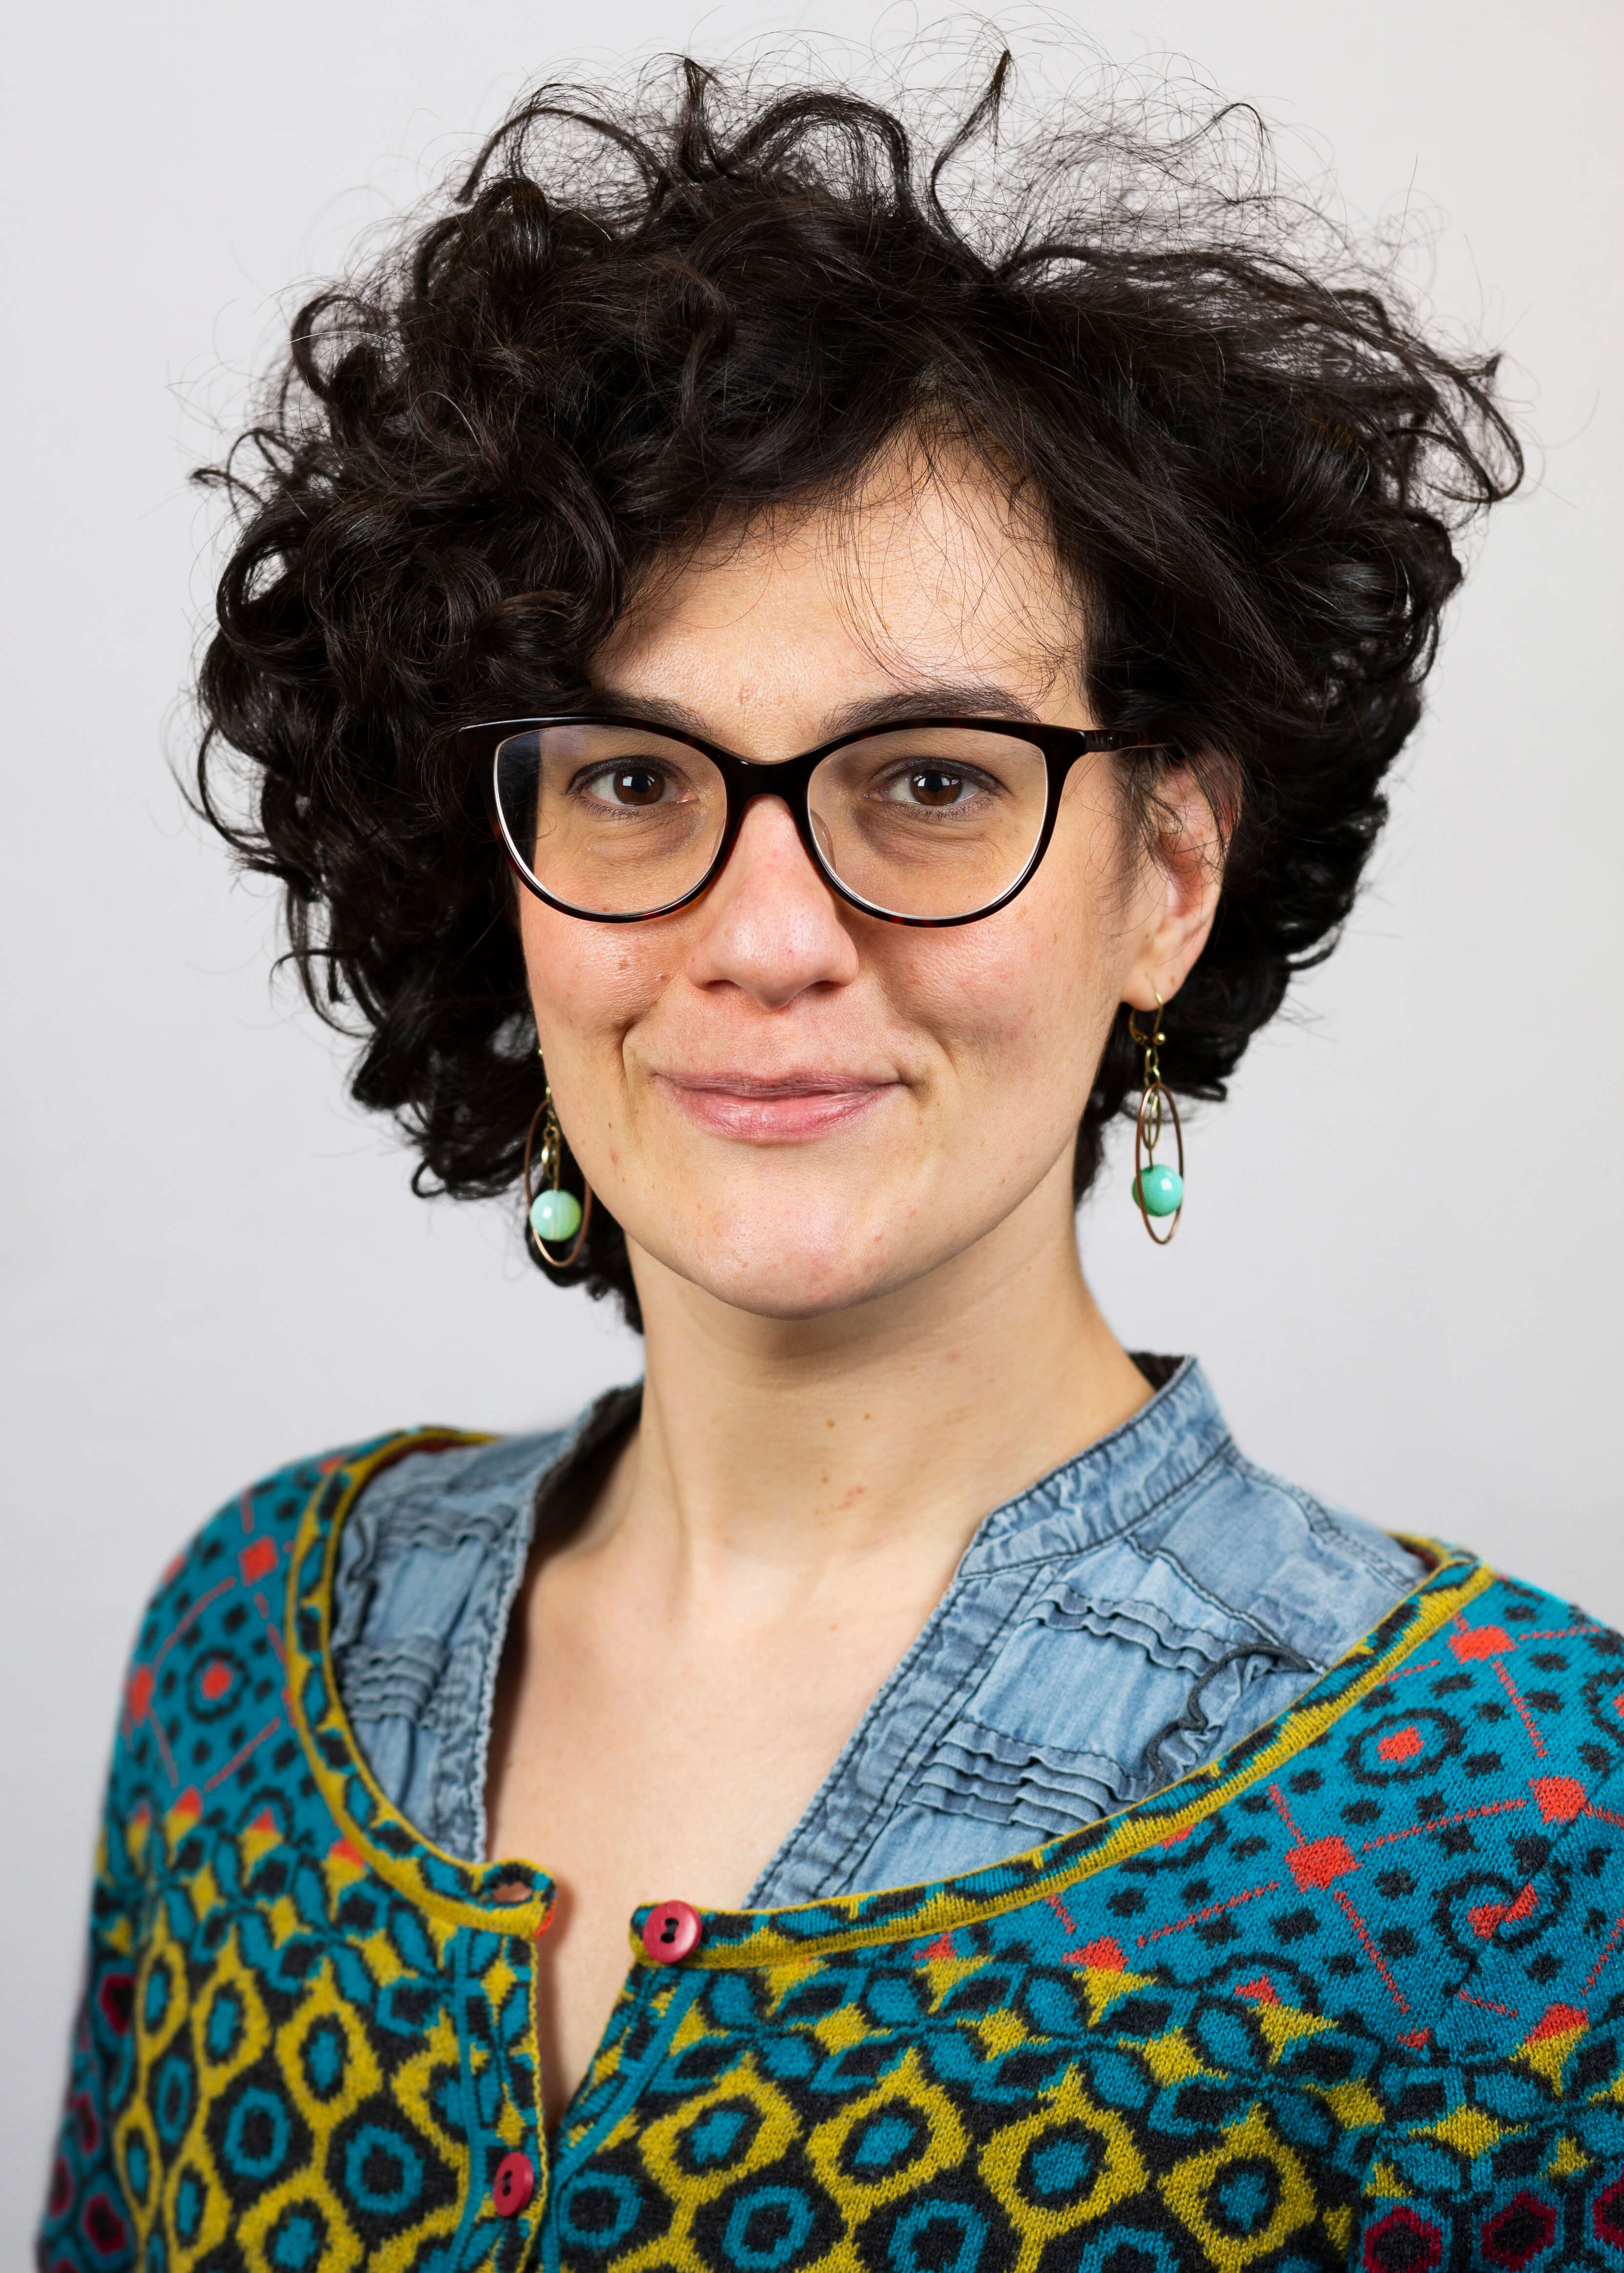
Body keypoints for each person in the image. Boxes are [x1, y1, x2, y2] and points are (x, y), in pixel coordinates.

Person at [40, 54, 1624, 2273]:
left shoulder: (1531, 1817)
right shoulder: (248, 1653)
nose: (769, 937)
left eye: (933, 782)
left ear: (1167, 873)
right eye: (630, 782)